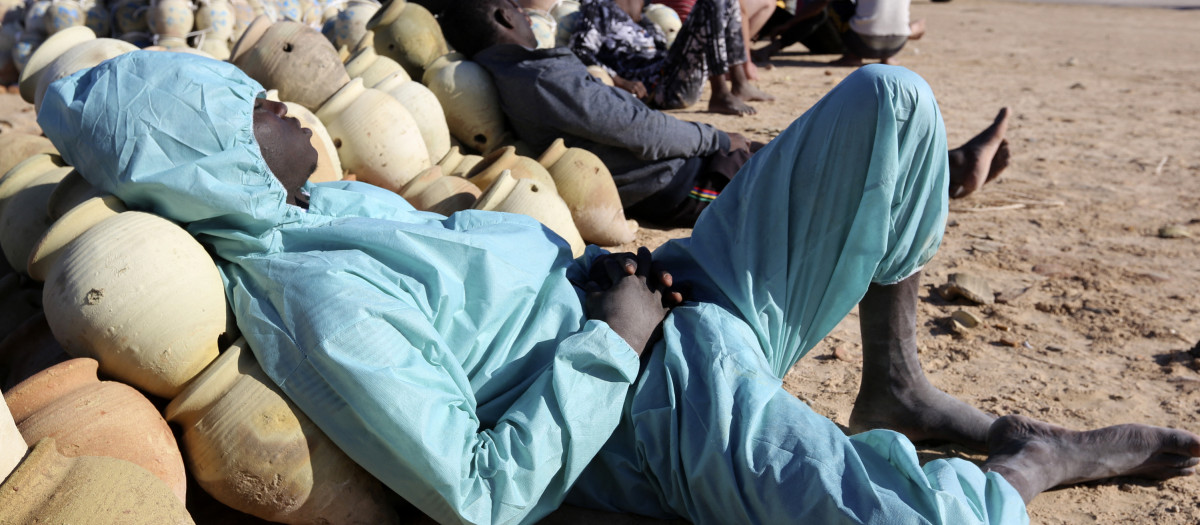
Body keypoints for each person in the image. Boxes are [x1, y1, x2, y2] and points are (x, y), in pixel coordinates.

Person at [39, 51, 1199, 525]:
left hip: (668, 293)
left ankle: (894, 386)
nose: (287, 103)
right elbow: (479, 494)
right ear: (219, 164)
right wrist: (610, 343)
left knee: (889, 111)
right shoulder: (318, 307)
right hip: (653, 414)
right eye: (250, 110)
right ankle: (1022, 468)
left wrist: (615, 286)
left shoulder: (326, 206)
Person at [446, 0, 1006, 228]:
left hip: (676, 173)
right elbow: (635, 130)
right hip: (683, 182)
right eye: (519, 10)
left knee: (808, 155)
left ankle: (943, 166)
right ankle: (944, 175)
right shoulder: (538, 76)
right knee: (816, 184)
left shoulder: (523, 75)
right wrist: (714, 137)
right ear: (504, 15)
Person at [570, 0, 772, 115]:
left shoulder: (645, 12)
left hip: (670, 74)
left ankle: (739, 84)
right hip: (657, 88)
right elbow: (580, 51)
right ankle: (720, 93)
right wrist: (620, 81)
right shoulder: (598, 8)